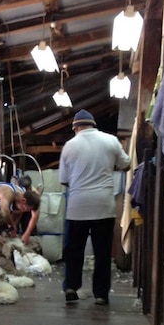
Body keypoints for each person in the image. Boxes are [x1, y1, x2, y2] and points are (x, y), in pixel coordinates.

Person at [58, 109, 130, 306]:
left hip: (78, 207)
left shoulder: (69, 146)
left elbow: (64, 181)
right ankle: (101, 294)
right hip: (104, 206)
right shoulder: (111, 141)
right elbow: (127, 164)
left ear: (76, 127)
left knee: (74, 250)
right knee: (102, 252)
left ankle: (71, 287)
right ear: (93, 124)